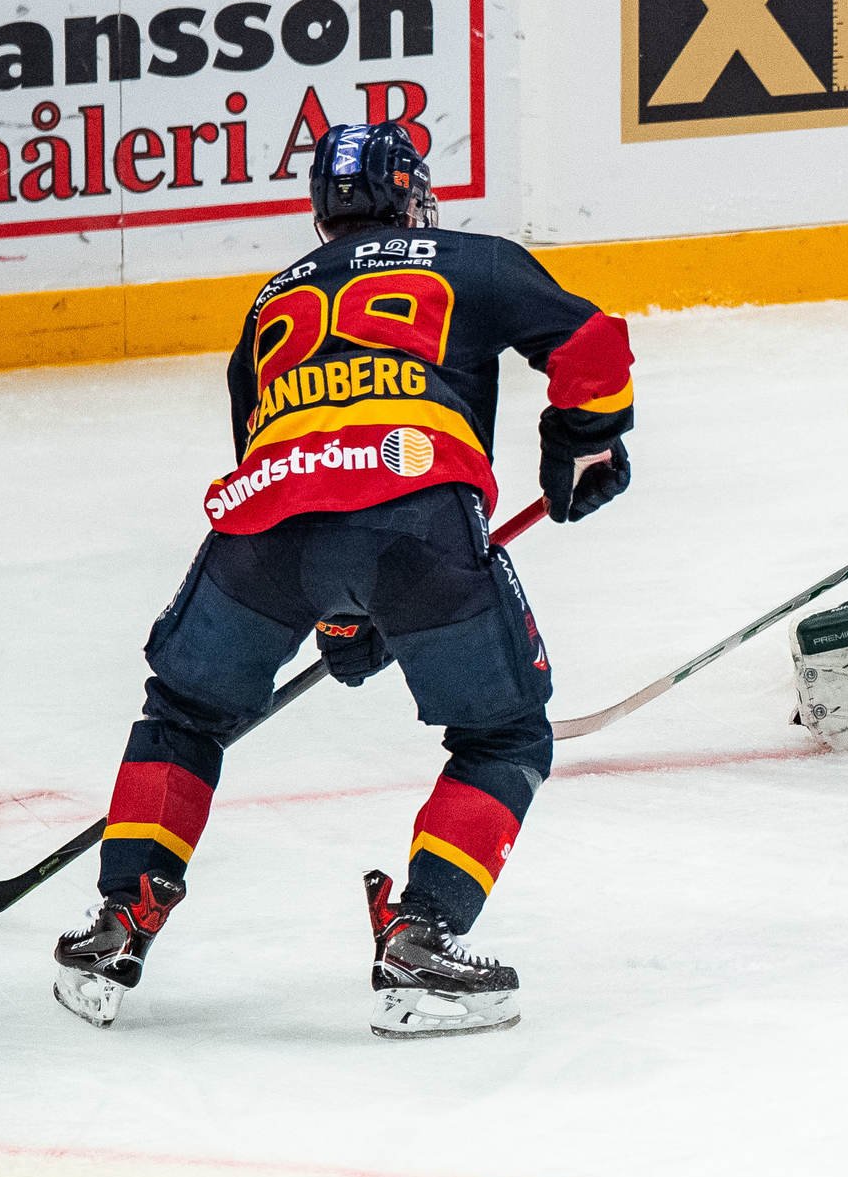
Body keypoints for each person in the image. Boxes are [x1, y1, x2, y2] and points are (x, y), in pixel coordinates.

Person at [52, 122, 635, 1038]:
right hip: (416, 514)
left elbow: (285, 461)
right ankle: (420, 938)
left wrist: (337, 609)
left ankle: (119, 919)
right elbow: (593, 345)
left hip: (262, 528)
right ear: (411, 194)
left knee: (183, 717)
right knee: (505, 735)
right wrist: (582, 442)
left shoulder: (271, 301)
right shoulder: (468, 260)